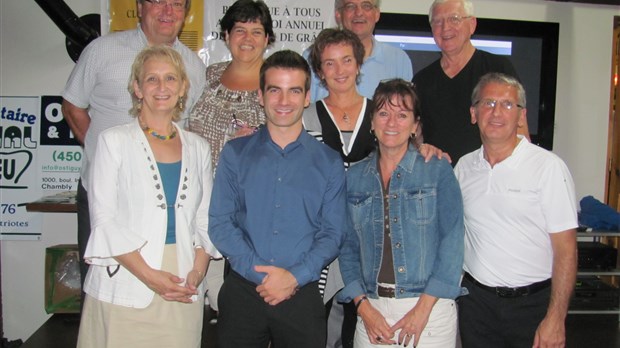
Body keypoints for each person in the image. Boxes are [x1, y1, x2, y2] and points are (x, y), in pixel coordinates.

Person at [76, 45, 219, 348]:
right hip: (127, 278)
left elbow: (205, 218)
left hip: (183, 282)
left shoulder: (198, 147)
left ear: (183, 87)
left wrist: (197, 270)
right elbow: (104, 220)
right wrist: (150, 277)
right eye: (151, 79)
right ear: (137, 88)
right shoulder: (113, 141)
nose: (161, 87)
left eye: (170, 78)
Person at [62, 0, 206, 297]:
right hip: (106, 198)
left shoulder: (194, 67)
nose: (168, 11)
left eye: (177, 3)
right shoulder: (102, 50)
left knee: (166, 284)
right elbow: (73, 106)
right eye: (158, 1)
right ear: (139, 7)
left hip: (165, 200)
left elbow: (185, 129)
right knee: (106, 287)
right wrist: (108, 160)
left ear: (185, 13)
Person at [208, 50, 347, 348]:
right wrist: (260, 274)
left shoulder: (329, 161)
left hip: (302, 294)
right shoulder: (235, 154)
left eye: (294, 91)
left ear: (307, 97)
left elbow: (333, 233)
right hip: (243, 292)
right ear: (260, 95)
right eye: (275, 90)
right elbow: (220, 223)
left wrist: (294, 277)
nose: (284, 102)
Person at [338, 79, 464, 348]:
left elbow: (452, 246)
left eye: (402, 114)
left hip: (429, 311)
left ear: (415, 125)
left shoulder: (437, 170)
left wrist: (421, 312)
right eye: (383, 113)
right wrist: (363, 307)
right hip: (372, 312)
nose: (391, 122)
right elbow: (347, 248)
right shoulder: (355, 177)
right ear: (372, 122)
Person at [455, 72, 577, 348]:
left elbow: (566, 250)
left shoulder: (548, 167)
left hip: (533, 307)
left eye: (508, 104)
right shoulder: (463, 168)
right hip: (476, 306)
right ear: (474, 113)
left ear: (521, 115)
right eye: (488, 103)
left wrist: (556, 318)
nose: (497, 112)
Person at [187, 0, 273, 315]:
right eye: (239, 30)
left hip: (249, 215)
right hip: (198, 205)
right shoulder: (208, 76)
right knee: (201, 297)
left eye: (256, 31)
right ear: (226, 35)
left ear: (267, 39)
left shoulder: (276, 81)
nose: (247, 38)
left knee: (243, 309)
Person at [304, 27, 375, 348]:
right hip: (319, 241)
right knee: (317, 325)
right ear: (319, 71)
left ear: (359, 64)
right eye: (329, 63)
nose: (339, 70)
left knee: (359, 325)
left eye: (346, 60)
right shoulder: (304, 120)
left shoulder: (383, 116)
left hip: (369, 242)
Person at [413, 0, 528, 165]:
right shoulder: (422, 80)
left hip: (489, 178)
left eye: (454, 19)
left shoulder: (498, 68)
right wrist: (420, 147)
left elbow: (520, 128)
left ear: (472, 24)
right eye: (438, 21)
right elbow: (415, 137)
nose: (445, 27)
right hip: (439, 182)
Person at [306, 0, 413, 102]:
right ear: (338, 14)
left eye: (366, 5)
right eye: (350, 6)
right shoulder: (311, 57)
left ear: (377, 14)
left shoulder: (399, 59)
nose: (359, 13)